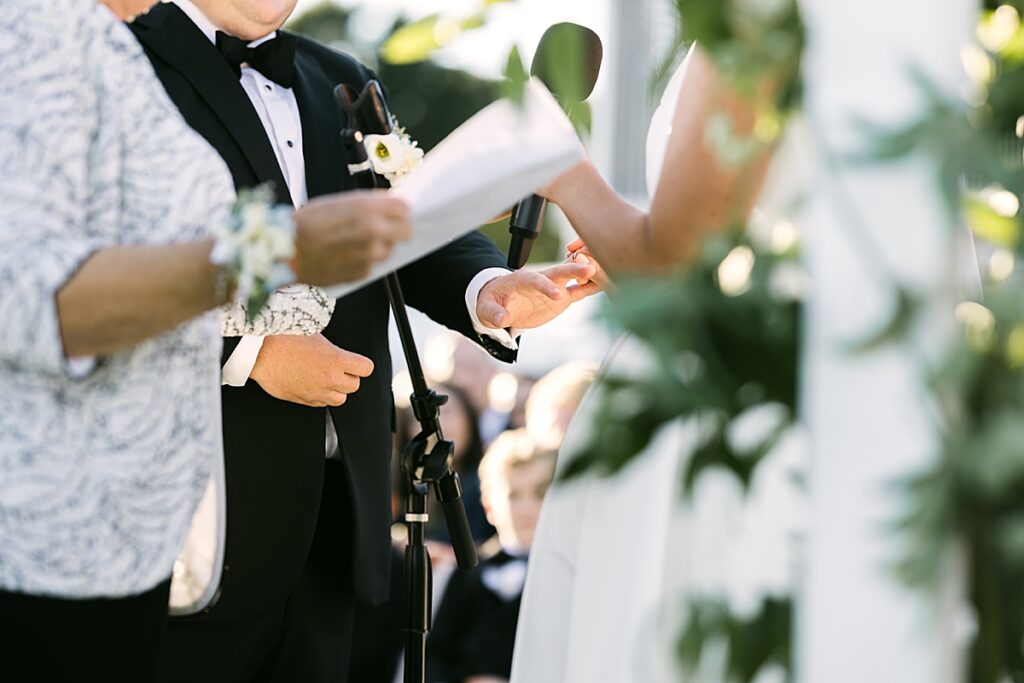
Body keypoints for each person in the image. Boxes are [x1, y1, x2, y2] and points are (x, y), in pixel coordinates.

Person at [125, 2, 600, 680]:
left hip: (339, 521)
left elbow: (409, 220)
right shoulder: (123, 60)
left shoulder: (340, 78)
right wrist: (252, 353)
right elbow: (104, 264)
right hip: (192, 526)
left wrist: (489, 290)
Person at [0, 0, 415, 680]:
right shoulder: (34, 36)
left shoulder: (101, 46)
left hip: (138, 542)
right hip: (56, 542)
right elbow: (33, 294)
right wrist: (274, 255)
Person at [510, 46, 782, 683]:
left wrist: (560, 165)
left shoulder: (751, 23)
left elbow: (676, 267)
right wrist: (623, 247)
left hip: (718, 406)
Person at [427, 430, 557, 683]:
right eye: (513, 495)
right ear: (488, 506)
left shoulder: (566, 574)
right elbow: (437, 653)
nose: (527, 508)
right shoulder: (466, 568)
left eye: (540, 494)